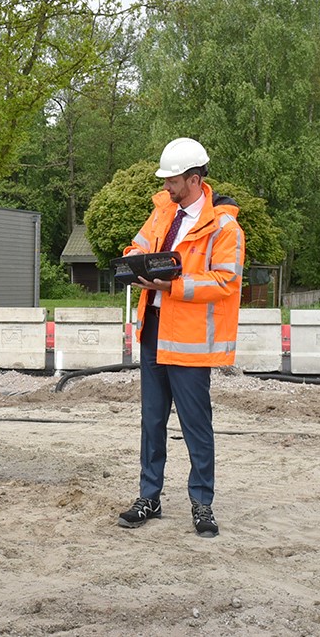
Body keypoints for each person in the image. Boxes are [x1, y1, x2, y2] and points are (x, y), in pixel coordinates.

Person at [117, 137, 245, 538]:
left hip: (189, 341)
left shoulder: (224, 226)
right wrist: (132, 264)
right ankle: (149, 497)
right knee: (151, 421)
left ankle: (202, 503)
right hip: (154, 331)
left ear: (193, 179)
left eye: (172, 180)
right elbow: (135, 246)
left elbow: (225, 280)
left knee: (195, 424)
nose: (167, 187)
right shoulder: (161, 214)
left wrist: (173, 284)